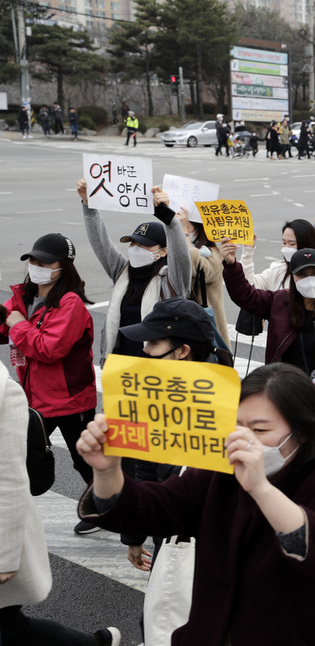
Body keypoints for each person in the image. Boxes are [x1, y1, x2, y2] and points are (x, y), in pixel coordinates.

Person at [76, 363, 315, 645]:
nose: (244, 439)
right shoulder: (217, 476)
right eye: (237, 426)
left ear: (302, 432)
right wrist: (107, 472)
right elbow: (152, 508)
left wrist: (262, 489)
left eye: (260, 430)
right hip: (208, 631)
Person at [0, 362, 122, 646]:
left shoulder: (4, 392)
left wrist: (5, 555)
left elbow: (10, 479)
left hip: (69, 395)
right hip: (54, 393)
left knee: (9, 625)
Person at [222, 245, 315, 473]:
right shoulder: (278, 303)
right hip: (287, 398)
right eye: (302, 274)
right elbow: (245, 295)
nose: (310, 280)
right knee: (290, 464)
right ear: (292, 278)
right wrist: (231, 265)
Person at [114, 298, 233, 573]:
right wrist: (134, 535)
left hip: (212, 551)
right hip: (166, 539)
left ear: (182, 352)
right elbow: (144, 469)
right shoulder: (154, 394)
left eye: (153, 344)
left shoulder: (228, 406)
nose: (144, 351)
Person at [0, 234, 97, 530]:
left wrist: (17, 324)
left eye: (44, 261)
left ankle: (114, 506)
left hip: (70, 400)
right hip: (36, 398)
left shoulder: (71, 304)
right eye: (32, 260)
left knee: (86, 461)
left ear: (63, 266)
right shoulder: (24, 296)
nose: (35, 266)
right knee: (18, 456)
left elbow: (48, 348)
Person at [77, 179, 191, 367]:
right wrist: (89, 206)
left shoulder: (172, 280)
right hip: (121, 365)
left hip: (157, 368)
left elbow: (180, 255)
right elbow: (101, 243)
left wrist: (169, 219)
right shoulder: (123, 271)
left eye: (144, 244)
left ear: (163, 251)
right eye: (133, 243)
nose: (136, 249)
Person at [174, 207, 230, 345]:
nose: (181, 230)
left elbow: (199, 269)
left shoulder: (215, 254)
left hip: (207, 326)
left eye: (186, 225)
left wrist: (184, 234)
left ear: (198, 230)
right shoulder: (172, 253)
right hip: (180, 321)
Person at [239, 219, 315, 293]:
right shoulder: (277, 271)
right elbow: (249, 285)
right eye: (284, 243)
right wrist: (248, 252)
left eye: (292, 244)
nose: (286, 248)